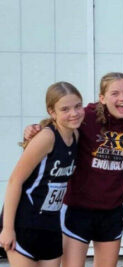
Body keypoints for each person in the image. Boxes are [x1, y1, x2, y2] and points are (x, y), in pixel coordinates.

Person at [24, 72, 123, 267]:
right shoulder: (86, 117)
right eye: (115, 93)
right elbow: (61, 122)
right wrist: (34, 129)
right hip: (78, 209)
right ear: (102, 98)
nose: (122, 98)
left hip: (112, 211)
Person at [0, 82, 84, 266]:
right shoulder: (47, 137)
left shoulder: (76, 135)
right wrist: (7, 229)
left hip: (51, 224)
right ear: (52, 112)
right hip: (25, 222)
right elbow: (15, 181)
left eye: (78, 106)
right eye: (65, 109)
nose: (74, 113)